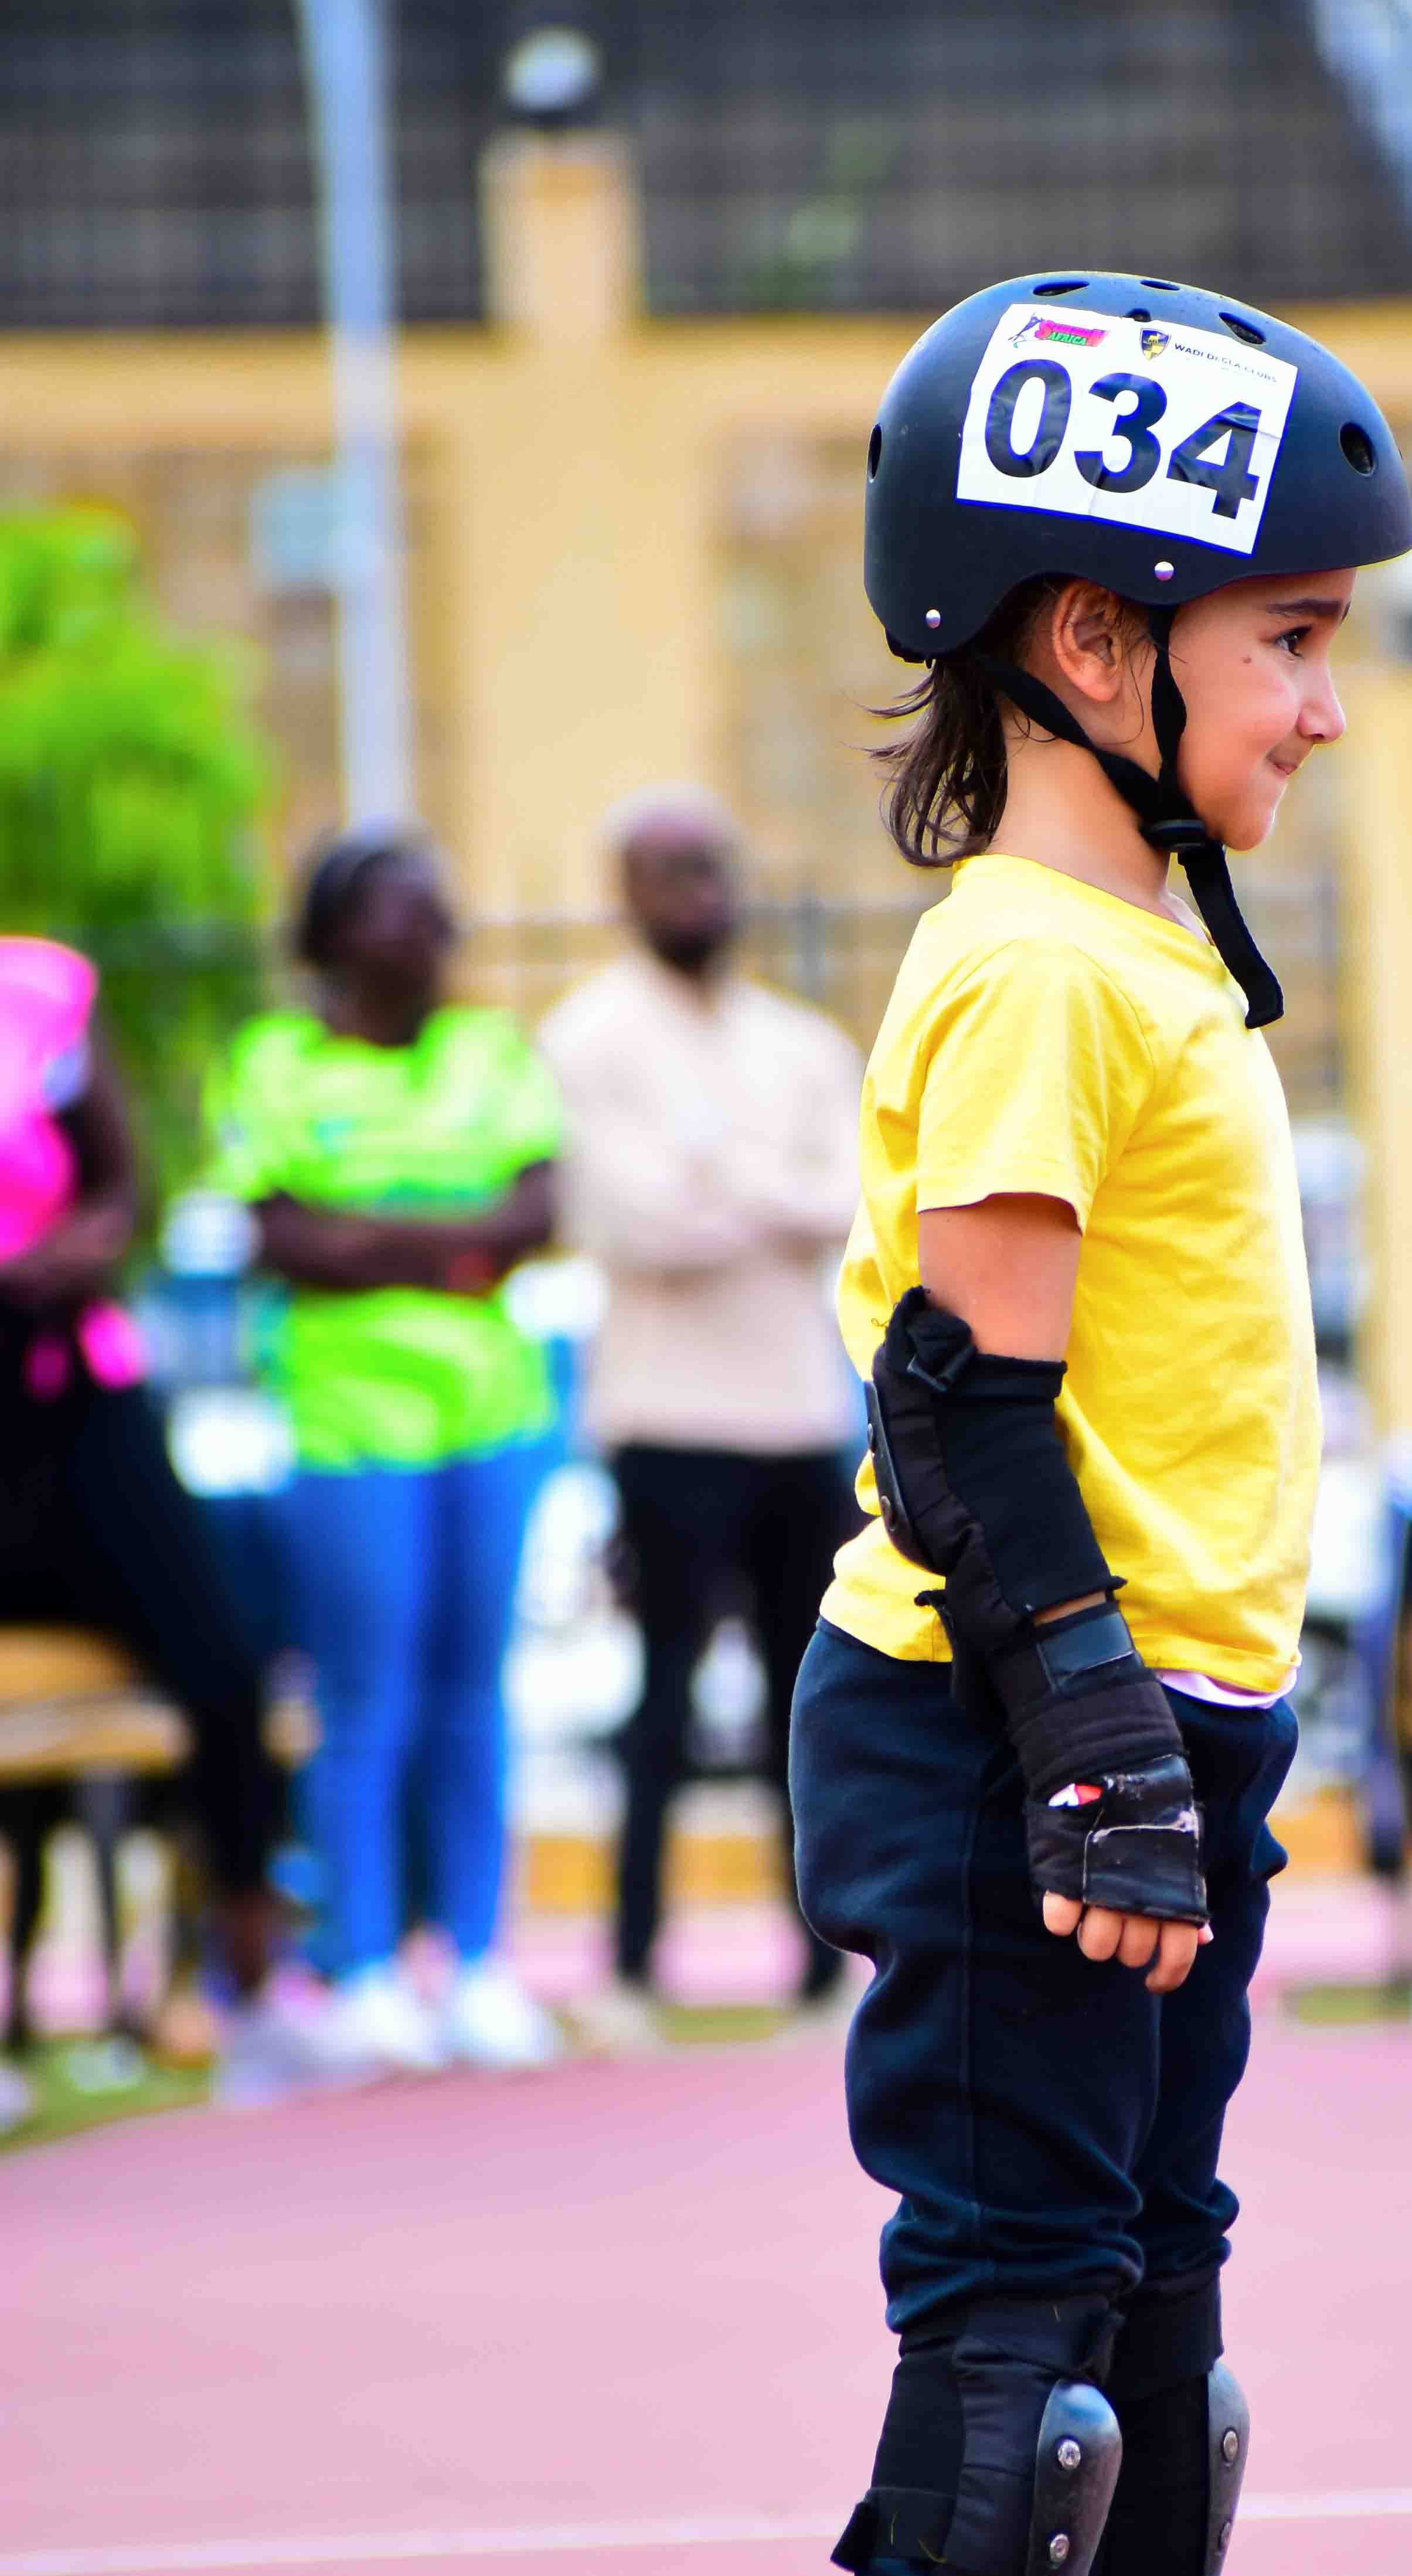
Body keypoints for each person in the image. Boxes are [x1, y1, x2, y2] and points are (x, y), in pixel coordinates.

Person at [686, 275, 1412, 2576]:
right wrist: (1082, 1747)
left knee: (1160, 2289)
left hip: (1154, 1712)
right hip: (1011, 1717)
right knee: (1020, 2290)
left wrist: (1163, 1731)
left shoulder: (1142, 946)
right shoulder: (1033, 967)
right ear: (1092, 642)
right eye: (1282, 635)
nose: (1323, 694)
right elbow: (952, 1394)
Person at [210, 832, 564, 2073]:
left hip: (491, 1415)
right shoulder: (273, 1062)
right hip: (350, 1424)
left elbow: (533, 1214)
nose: (421, 934)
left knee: (475, 1695)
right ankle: (360, 1967)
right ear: (330, 933)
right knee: (366, 1698)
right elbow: (284, 1237)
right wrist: (451, 1247)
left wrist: (376, 1237)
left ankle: (472, 1962)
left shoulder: (490, 1051)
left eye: (435, 913)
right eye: (391, 913)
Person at [540, 786, 862, 2046]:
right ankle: (628, 1970)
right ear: (622, 890)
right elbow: (634, 1225)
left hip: (797, 1411)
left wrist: (726, 1189)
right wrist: (766, 1198)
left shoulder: (803, 1044)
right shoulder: (584, 1041)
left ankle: (827, 1970)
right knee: (661, 1702)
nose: (698, 893)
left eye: (712, 866)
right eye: (669, 871)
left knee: (811, 1705)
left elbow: (853, 1201)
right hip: (665, 1419)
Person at [0, 936, 328, 2106]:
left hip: (71, 1394)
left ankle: (250, 1989)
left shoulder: (39, 992)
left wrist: (60, 1259)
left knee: (224, 1667)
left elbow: (118, 1192)